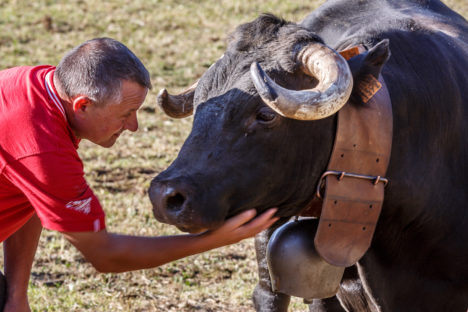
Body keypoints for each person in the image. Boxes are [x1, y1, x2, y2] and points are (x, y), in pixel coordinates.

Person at [0, 37, 278, 312]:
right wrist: (211, 240)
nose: (133, 126)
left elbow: (30, 193)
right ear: (83, 105)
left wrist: (15, 296)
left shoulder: (34, 85)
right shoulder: (42, 149)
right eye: (126, 114)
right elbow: (105, 256)